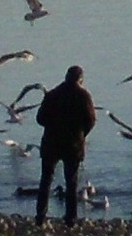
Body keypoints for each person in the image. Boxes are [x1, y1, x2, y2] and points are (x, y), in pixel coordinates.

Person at [33, 66, 96, 225]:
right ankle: (71, 218)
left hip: (51, 143)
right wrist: (82, 134)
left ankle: (40, 216)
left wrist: (53, 126)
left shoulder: (53, 94)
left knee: (46, 180)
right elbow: (91, 120)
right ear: (80, 79)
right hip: (73, 145)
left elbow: (40, 119)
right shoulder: (84, 96)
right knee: (71, 182)